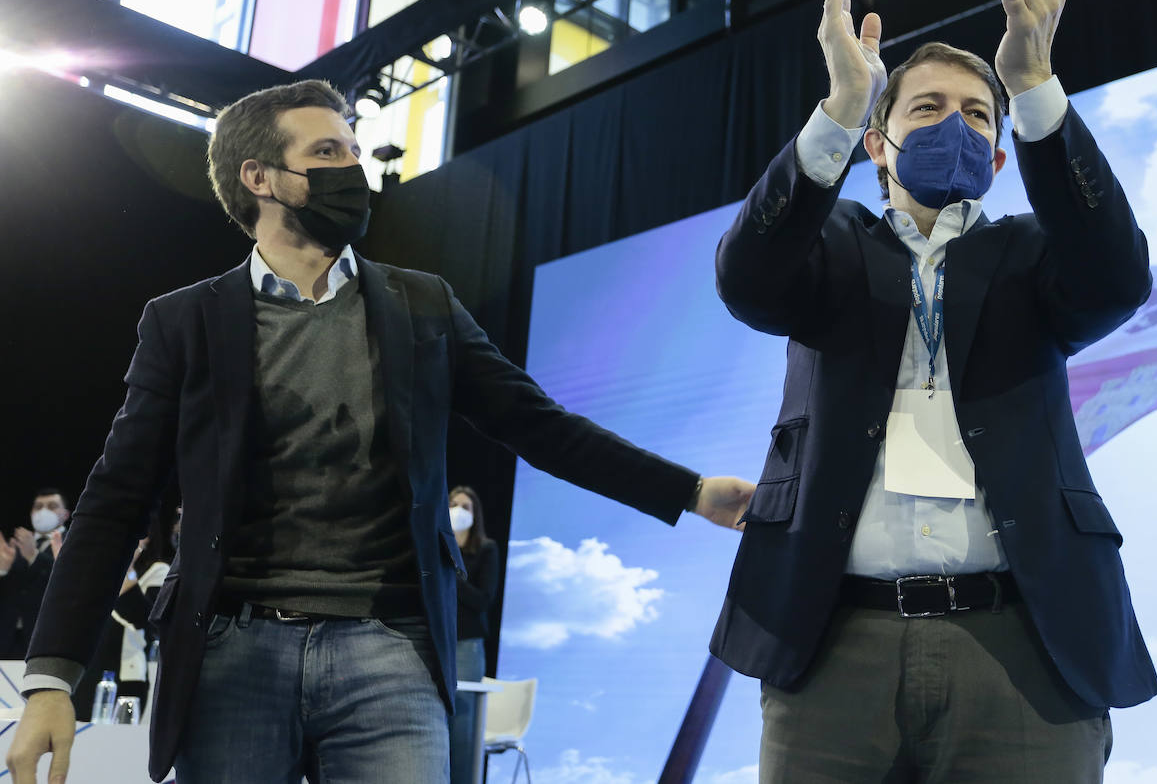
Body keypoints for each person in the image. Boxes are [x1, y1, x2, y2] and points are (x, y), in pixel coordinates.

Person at [5, 79, 755, 784]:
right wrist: (52, 678)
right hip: (232, 652)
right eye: (327, 153)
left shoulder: (421, 304)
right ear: (258, 178)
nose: (353, 169)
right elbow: (116, 497)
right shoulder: (185, 321)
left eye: (356, 152)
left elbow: (540, 426)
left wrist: (689, 491)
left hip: (389, 646)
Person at [711, 0, 1157, 783]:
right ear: (879, 146)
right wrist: (841, 106)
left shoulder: (1034, 255)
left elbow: (1116, 280)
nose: (955, 124)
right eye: (926, 108)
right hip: (835, 642)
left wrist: (1031, 86)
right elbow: (747, 279)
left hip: (1023, 643)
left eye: (977, 115)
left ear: (998, 156)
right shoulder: (829, 244)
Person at [70, 524, 170, 722]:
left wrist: (127, 574)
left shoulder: (157, 571)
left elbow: (150, 623)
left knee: (118, 744)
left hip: (126, 673)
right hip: (89, 669)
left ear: (147, 537)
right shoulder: (97, 571)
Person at [446, 485, 499, 784]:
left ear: (474, 513)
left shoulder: (485, 549)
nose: (458, 510)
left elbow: (483, 600)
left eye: (465, 506)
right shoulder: (435, 546)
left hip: (466, 644)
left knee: (463, 729)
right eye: (453, 504)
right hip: (431, 641)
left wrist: (451, 570)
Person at [0, 490, 71, 660]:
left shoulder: (72, 542)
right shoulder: (16, 544)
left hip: (47, 638)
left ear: (66, 514)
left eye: (52, 506)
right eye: (38, 507)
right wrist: (3, 570)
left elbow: (69, 584)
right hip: (8, 639)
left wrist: (34, 556)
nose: (43, 511)